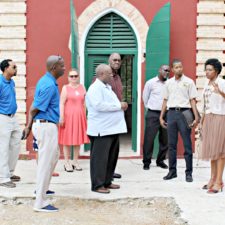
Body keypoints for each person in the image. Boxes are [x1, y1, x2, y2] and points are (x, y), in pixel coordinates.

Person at [22, 55, 65, 212]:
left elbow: (34, 105)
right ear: (54, 68)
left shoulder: (47, 81)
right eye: (62, 65)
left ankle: (42, 189)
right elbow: (34, 108)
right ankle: (40, 202)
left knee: (52, 159)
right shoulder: (48, 85)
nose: (64, 68)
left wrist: (29, 126)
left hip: (47, 126)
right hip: (46, 127)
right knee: (45, 164)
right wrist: (28, 126)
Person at [86, 64, 128, 194]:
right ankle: (97, 185)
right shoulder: (95, 88)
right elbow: (99, 106)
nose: (112, 75)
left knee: (111, 157)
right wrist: (118, 106)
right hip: (101, 130)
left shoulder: (107, 87)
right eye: (109, 73)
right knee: (100, 159)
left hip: (112, 129)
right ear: (102, 74)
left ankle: (107, 181)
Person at [160, 59, 199, 182]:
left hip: (185, 113)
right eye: (176, 67)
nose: (179, 69)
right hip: (171, 113)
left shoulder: (189, 82)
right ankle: (172, 172)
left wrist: (196, 116)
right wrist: (161, 116)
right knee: (171, 145)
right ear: (172, 69)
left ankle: (189, 173)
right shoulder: (168, 83)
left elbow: (193, 100)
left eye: (181, 67)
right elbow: (165, 100)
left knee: (187, 145)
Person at [92, 53, 123, 179]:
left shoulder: (117, 78)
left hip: (115, 118)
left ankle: (109, 173)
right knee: (103, 152)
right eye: (114, 60)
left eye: (119, 60)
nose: (117, 62)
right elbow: (98, 104)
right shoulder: (98, 81)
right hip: (105, 121)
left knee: (113, 150)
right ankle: (103, 176)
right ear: (109, 62)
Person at [200, 58, 225, 194]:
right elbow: (205, 104)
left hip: (220, 117)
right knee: (212, 151)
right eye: (206, 69)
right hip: (209, 117)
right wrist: (201, 121)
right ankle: (212, 178)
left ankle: (219, 182)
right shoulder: (206, 83)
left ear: (216, 71)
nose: (207, 72)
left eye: (210, 70)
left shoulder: (222, 82)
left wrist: (220, 92)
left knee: (220, 151)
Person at [58, 69, 89, 172]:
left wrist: (85, 116)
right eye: (71, 76)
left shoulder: (82, 87)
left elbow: (84, 103)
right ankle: (66, 162)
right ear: (68, 78)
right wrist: (61, 117)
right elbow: (61, 103)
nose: (74, 78)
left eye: (75, 76)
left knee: (77, 140)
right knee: (66, 140)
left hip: (80, 117)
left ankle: (75, 161)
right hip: (68, 117)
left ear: (78, 77)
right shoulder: (65, 88)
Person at [142, 65, 170, 170]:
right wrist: (150, 109)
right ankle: (146, 162)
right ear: (159, 70)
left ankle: (160, 161)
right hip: (153, 114)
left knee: (165, 139)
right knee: (149, 139)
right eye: (165, 70)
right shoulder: (150, 83)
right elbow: (145, 97)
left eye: (168, 71)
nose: (167, 72)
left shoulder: (170, 84)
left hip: (166, 114)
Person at [0, 59, 21, 188]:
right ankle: (3, 178)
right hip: (3, 118)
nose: (16, 68)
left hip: (13, 118)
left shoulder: (11, 82)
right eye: (14, 66)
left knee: (16, 145)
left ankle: (9, 172)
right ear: (6, 68)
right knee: (3, 148)